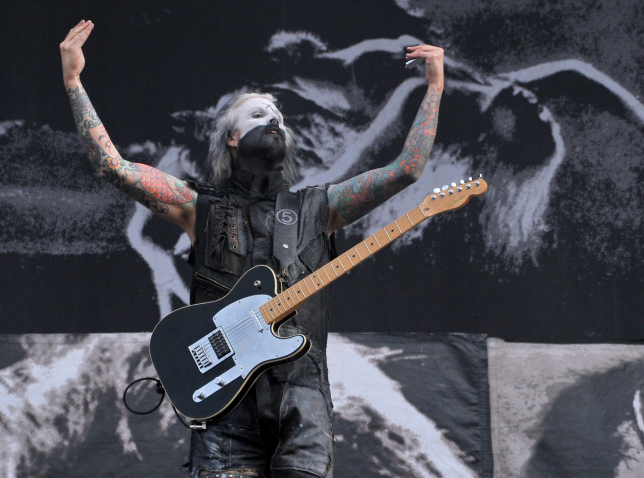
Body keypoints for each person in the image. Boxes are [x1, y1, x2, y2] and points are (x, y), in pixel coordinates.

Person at [60, 19, 444, 477]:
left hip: (302, 400)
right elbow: (111, 165)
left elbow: (408, 169)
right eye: (260, 115)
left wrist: (434, 87)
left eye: (279, 117)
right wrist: (73, 81)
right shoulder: (196, 205)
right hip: (224, 408)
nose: (274, 120)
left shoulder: (319, 206)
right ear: (232, 138)